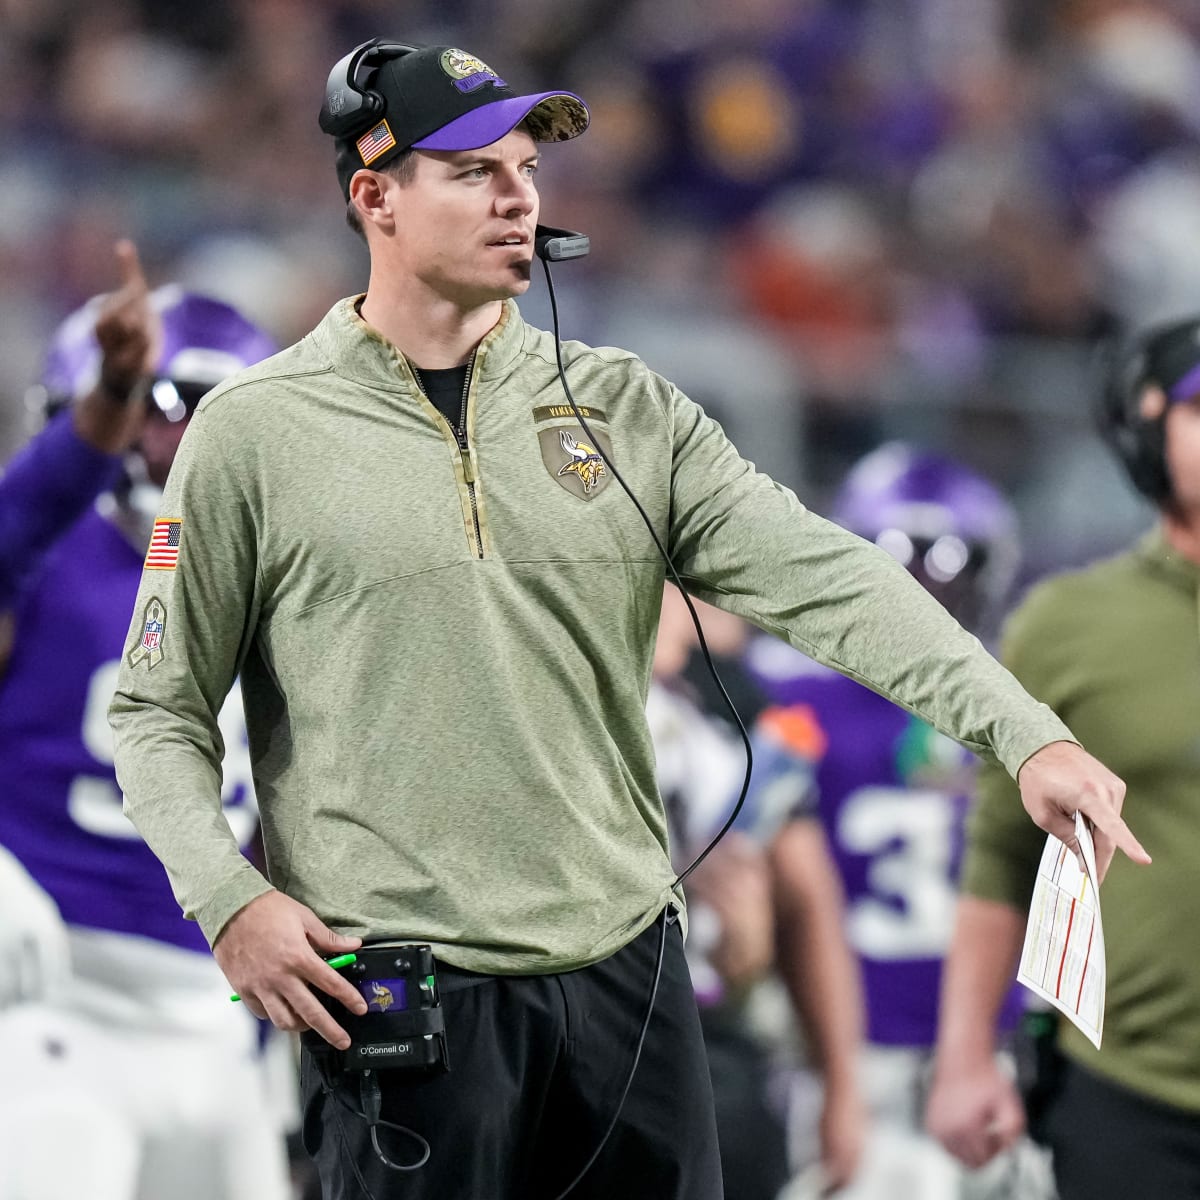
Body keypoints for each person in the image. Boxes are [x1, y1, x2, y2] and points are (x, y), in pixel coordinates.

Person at [107, 39, 1147, 1200]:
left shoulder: (623, 407)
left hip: (633, 982)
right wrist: (229, 900)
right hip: (408, 994)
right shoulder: (255, 433)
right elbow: (155, 710)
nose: (519, 196)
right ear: (375, 196)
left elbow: (829, 578)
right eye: (471, 172)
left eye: (524, 169)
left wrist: (1023, 730)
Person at [0, 244, 291, 1200]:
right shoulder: (48, 557)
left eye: (213, 417)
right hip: (53, 997)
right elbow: (25, 518)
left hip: (216, 1014)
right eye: (162, 410)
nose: (183, 446)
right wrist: (113, 392)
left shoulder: (290, 591)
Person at [924, 318, 1200, 1200]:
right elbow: (1002, 854)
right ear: (1148, 431)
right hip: (1129, 1090)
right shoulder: (1068, 624)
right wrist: (965, 1058)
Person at [747, 443, 1052, 1199]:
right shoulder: (1022, 707)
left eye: (949, 569)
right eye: (908, 567)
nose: (927, 591)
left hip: (965, 1042)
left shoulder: (788, 698)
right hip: (864, 1050)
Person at [650, 583, 865, 1200]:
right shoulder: (570, 680)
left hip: (712, 1036)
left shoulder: (733, 702)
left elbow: (805, 900)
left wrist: (841, 1087)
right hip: (588, 1025)